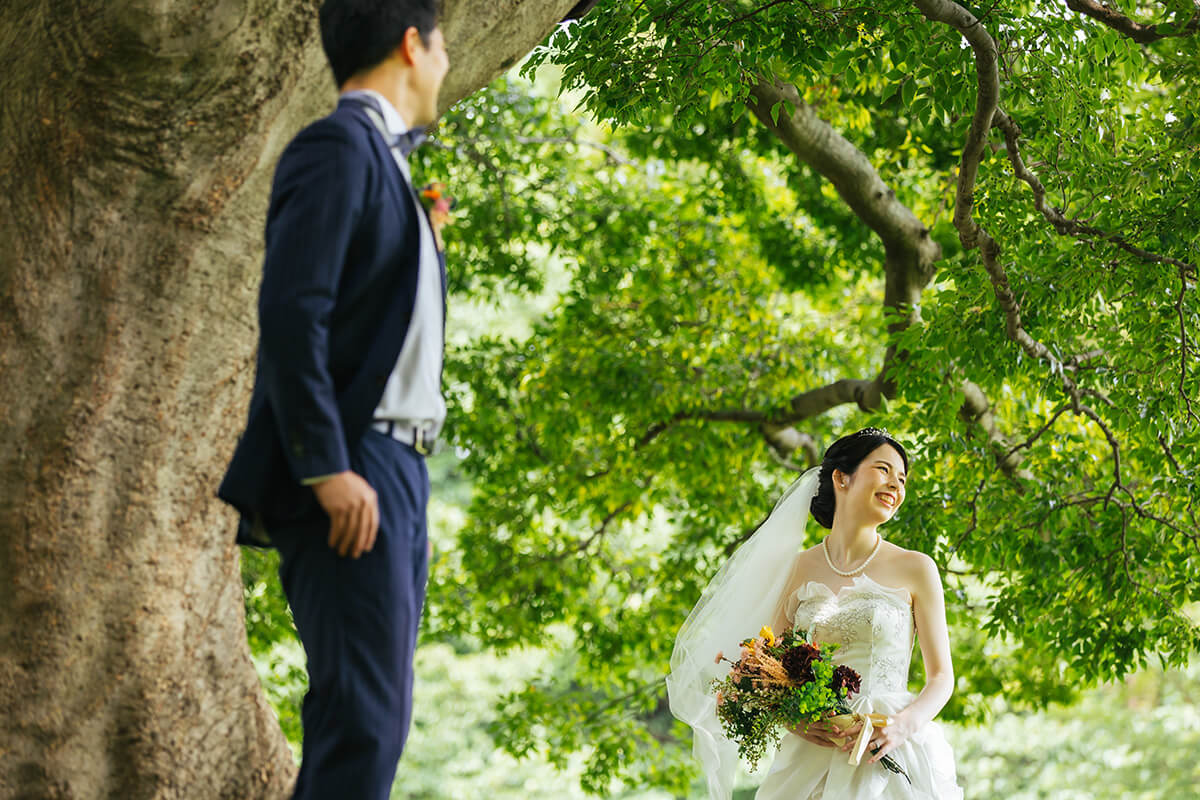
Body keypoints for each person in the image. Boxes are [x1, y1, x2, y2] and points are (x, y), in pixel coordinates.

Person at [216, 2, 449, 798]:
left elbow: (361, 316)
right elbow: (290, 310)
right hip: (354, 465)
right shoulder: (336, 146)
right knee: (362, 719)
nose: (447, 65)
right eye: (442, 45)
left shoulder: (386, 166)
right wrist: (325, 467)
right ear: (413, 44)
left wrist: (423, 249)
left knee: (374, 720)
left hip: (401, 467)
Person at [667, 428, 963, 799]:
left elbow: (941, 678)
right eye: (884, 470)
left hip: (888, 745)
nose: (895, 485)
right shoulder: (795, 570)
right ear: (842, 477)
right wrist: (797, 723)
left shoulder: (916, 568)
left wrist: (902, 727)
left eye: (902, 478)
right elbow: (762, 672)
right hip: (813, 754)